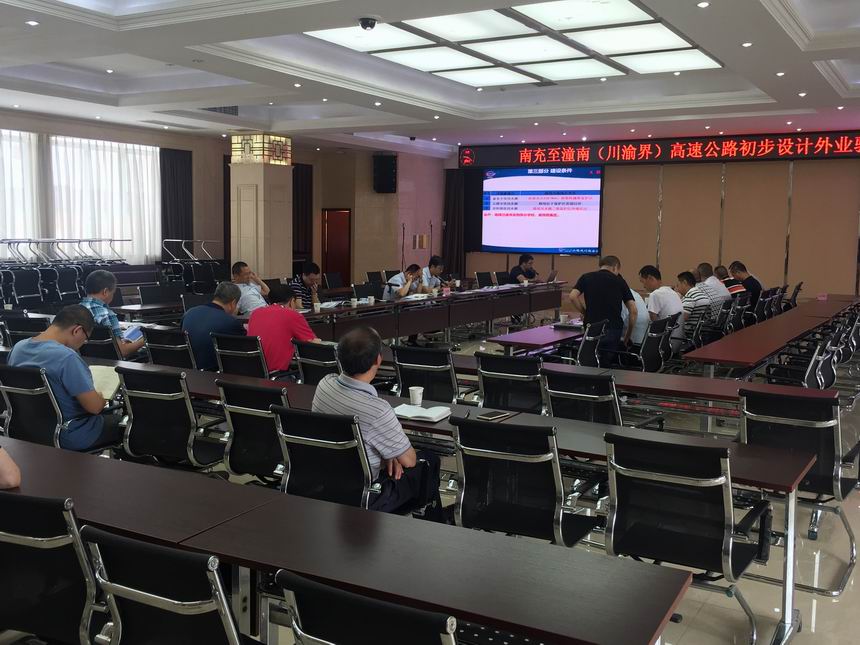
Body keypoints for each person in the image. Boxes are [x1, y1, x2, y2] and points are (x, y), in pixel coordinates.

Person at [312, 327, 444, 519]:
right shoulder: (378, 410)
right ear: (378, 360)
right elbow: (409, 460)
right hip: (366, 494)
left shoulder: (324, 384)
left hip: (324, 480)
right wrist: (390, 454)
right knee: (428, 461)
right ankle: (433, 524)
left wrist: (388, 453)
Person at [8, 305, 123, 451]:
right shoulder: (67, 357)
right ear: (77, 330)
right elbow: (94, 408)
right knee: (125, 423)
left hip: (26, 429)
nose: (83, 343)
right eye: (85, 338)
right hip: (69, 434)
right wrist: (100, 398)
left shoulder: (18, 348)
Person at [569, 256, 637, 363]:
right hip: (613, 329)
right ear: (615, 267)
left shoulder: (586, 277)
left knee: (591, 360)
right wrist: (627, 336)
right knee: (607, 362)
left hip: (592, 327)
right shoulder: (620, 281)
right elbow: (633, 311)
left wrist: (585, 312)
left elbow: (572, 296)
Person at [247, 284, 320, 372]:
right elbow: (313, 342)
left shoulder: (255, 313)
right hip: (278, 373)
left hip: (253, 371)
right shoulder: (292, 315)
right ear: (292, 301)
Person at [79, 270, 145, 359]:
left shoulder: (77, 310)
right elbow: (122, 351)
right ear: (105, 292)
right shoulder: (107, 314)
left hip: (86, 362)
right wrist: (143, 340)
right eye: (113, 292)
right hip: (113, 363)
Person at [182, 281, 246, 371]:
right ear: (233, 303)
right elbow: (242, 354)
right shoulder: (231, 322)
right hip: (213, 374)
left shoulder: (188, 313)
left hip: (187, 371)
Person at [639, 265, 685, 348]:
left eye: (643, 282)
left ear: (650, 278)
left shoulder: (655, 294)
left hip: (664, 344)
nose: (643, 286)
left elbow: (654, 324)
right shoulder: (672, 292)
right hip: (678, 340)